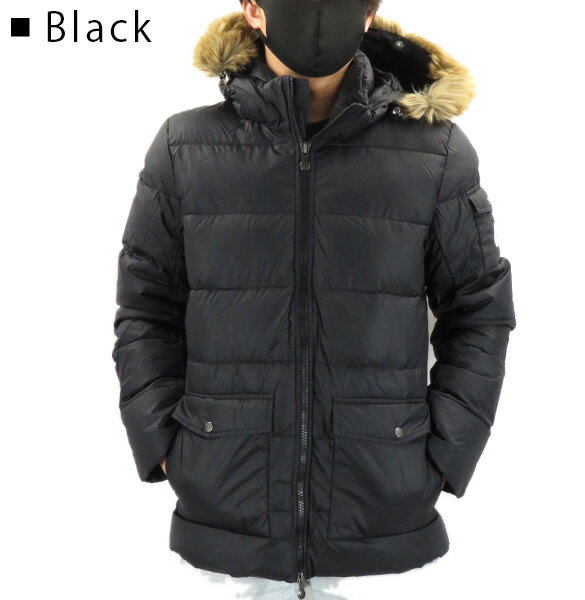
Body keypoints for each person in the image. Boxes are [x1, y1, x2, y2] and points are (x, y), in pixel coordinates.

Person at [112, 1, 516, 598]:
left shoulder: (436, 153)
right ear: (253, 9)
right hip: (224, 538)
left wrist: (443, 455)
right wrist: (169, 449)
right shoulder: (185, 147)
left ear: (370, 12)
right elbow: (146, 309)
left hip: (386, 535)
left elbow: (479, 311)